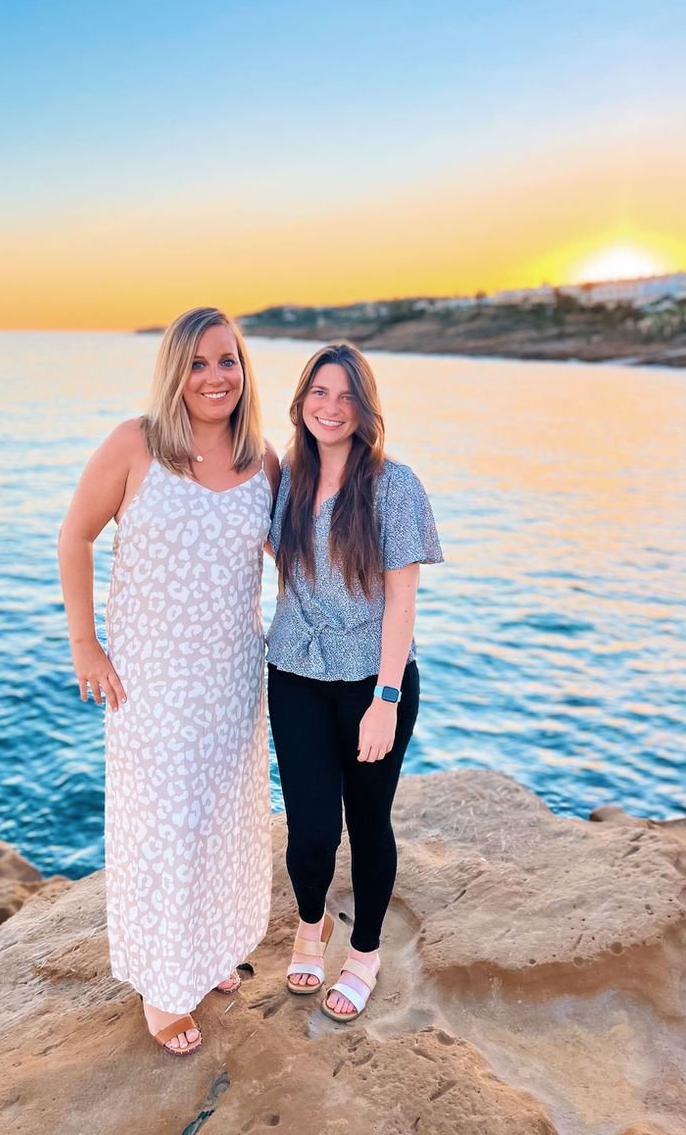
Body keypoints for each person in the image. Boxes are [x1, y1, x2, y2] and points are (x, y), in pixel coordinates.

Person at [58, 307, 279, 1057]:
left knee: (224, 818)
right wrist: (86, 644)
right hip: (152, 683)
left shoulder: (265, 461)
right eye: (198, 363)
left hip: (233, 679)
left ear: (244, 370)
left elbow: (305, 562)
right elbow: (75, 534)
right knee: (164, 828)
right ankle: (161, 985)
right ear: (174, 371)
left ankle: (212, 948)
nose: (215, 377)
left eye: (228, 361)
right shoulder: (136, 445)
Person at [266, 342, 442, 1022]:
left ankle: (364, 953)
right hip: (297, 675)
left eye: (345, 396)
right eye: (318, 393)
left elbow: (403, 601)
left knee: (368, 824)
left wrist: (386, 700)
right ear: (301, 401)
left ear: (365, 407)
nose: (330, 408)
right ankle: (311, 927)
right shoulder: (283, 478)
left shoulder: (395, 486)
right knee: (310, 832)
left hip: (377, 679)